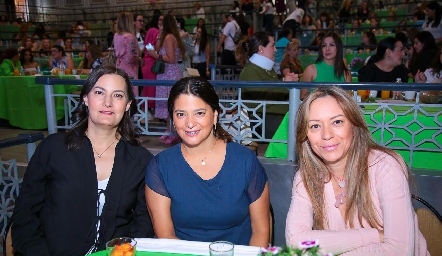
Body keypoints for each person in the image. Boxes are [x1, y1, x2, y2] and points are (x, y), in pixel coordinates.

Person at [12, 66, 154, 255]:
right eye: (99, 92)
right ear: (86, 98)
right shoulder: (53, 149)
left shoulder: (140, 159)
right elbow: (25, 216)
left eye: (118, 95)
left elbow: (144, 221)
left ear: (128, 104)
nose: (107, 102)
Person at [285, 86, 429, 255]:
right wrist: (375, 235)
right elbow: (296, 244)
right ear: (305, 135)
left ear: (354, 124)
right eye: (315, 126)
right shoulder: (306, 176)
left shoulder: (385, 166)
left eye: (337, 122)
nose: (326, 134)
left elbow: (399, 251)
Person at [145, 76, 270, 247]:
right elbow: (166, 237)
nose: (190, 123)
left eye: (199, 113)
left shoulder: (245, 161)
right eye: (181, 114)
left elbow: (261, 231)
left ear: (215, 115)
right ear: (172, 120)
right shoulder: (161, 167)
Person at [146, 14, 185, 145]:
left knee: (171, 104)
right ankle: (169, 130)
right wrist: (158, 36)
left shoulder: (169, 38)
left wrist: (156, 56)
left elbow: (171, 58)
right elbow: (157, 48)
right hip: (169, 73)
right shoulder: (169, 37)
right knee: (170, 104)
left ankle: (173, 132)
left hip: (169, 73)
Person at [302, 32, 351, 98]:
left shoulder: (346, 73)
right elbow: (302, 97)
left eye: (331, 45)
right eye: (324, 45)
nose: (327, 49)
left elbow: (348, 100)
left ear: (338, 48)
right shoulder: (310, 70)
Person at [114, 11, 140, 96]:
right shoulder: (129, 37)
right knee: (130, 93)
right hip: (129, 69)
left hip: (119, 66)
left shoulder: (116, 35)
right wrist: (139, 59)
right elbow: (130, 58)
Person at [142, 13, 163, 116]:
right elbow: (149, 46)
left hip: (151, 62)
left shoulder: (158, 31)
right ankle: (148, 114)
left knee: (150, 89)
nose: (162, 22)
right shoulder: (153, 31)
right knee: (150, 90)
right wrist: (157, 56)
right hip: (151, 64)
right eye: (160, 19)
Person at [134, 14, 146, 79]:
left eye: (143, 21)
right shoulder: (131, 35)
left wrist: (147, 48)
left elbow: (149, 45)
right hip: (136, 60)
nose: (142, 23)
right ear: (134, 22)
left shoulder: (145, 34)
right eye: (140, 21)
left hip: (144, 59)